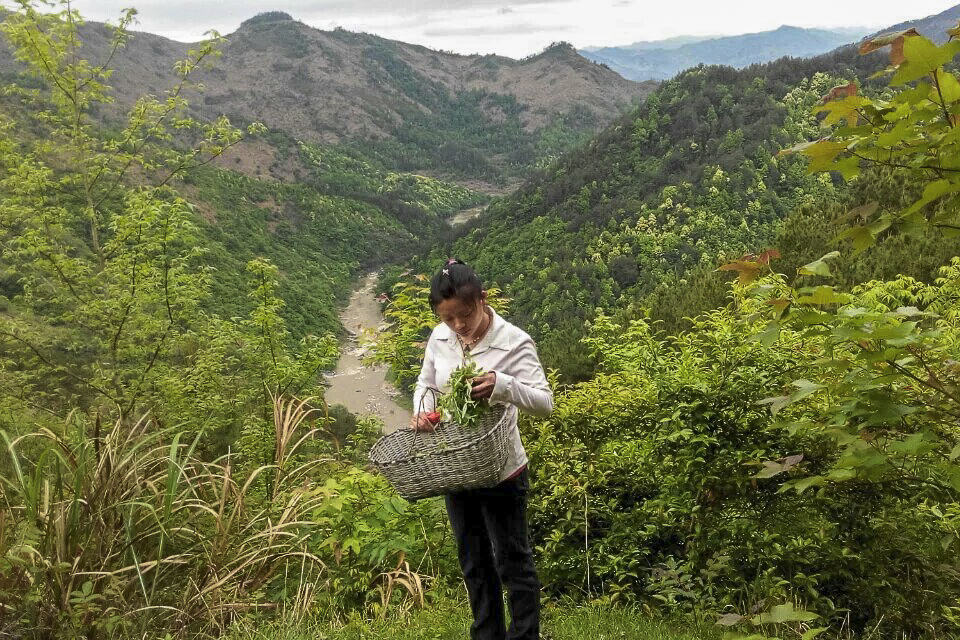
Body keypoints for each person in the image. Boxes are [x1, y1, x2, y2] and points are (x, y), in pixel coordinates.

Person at [411, 258, 553, 640]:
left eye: (465, 314)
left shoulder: (513, 341)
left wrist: (502, 384)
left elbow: (544, 402)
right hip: (457, 468)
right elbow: (426, 385)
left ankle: (525, 635)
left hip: (502, 468)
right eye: (448, 318)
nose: (458, 325)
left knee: (513, 562)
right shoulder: (439, 340)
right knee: (473, 562)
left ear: (483, 300)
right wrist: (423, 414)